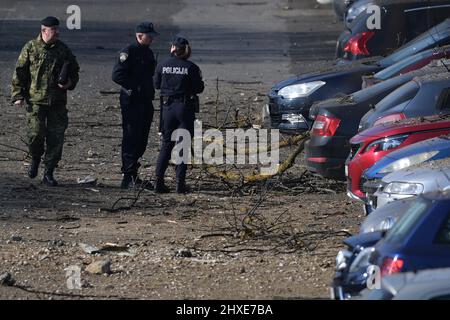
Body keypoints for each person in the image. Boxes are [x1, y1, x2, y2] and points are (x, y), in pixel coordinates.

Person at [11, 16, 80, 186]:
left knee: (56, 138)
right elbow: (20, 72)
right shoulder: (31, 48)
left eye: (58, 29)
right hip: (36, 100)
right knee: (35, 134)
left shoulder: (63, 50)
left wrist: (70, 83)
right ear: (44, 31)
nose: (57, 32)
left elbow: (74, 71)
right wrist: (17, 95)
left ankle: (49, 172)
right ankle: (35, 158)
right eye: (53, 30)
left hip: (57, 102)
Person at [154, 36, 204, 194]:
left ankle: (158, 182)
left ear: (172, 48)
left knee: (166, 145)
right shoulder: (191, 67)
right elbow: (199, 88)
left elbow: (156, 84)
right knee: (183, 146)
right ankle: (179, 184)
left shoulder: (162, 65)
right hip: (184, 108)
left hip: (167, 108)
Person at [112, 22, 158, 189]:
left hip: (145, 100)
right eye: (149, 35)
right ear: (140, 35)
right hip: (132, 101)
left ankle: (133, 173)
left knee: (142, 138)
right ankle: (128, 175)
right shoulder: (129, 51)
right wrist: (134, 87)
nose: (152, 38)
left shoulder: (148, 53)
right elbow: (117, 75)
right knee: (131, 137)